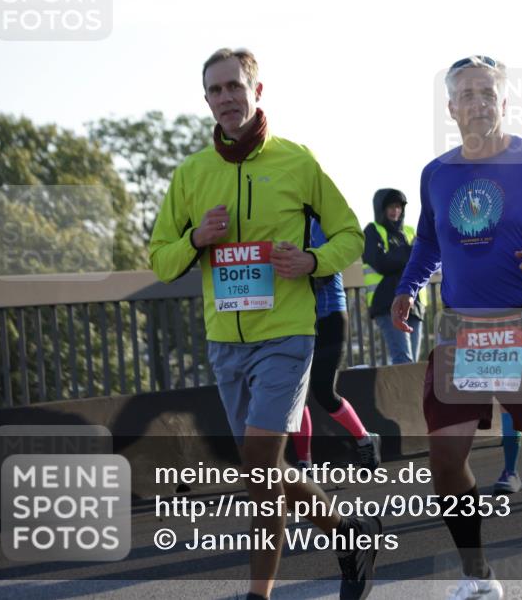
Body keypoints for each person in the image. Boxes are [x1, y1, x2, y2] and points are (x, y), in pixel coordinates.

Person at [149, 48, 379, 600]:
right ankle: (346, 535)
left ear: (257, 91)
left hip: (287, 333)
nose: (225, 98)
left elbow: (351, 235)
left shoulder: (297, 161)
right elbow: (159, 258)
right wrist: (196, 239)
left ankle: (258, 595)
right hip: (225, 340)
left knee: (258, 464)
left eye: (234, 87)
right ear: (206, 100)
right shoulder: (192, 174)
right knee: (263, 474)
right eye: (215, 91)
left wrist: (312, 261)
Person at [390, 55, 522, 600]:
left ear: (503, 104)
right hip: (461, 333)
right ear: (451, 107)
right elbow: (429, 244)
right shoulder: (436, 174)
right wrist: (408, 288)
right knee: (444, 458)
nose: (478, 103)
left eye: (488, 94)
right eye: (467, 95)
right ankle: (477, 577)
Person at [290, 219, 381, 470]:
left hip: (330, 316)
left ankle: (365, 439)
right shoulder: (279, 222)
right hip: (296, 321)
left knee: (323, 391)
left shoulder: (320, 222)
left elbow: (323, 270)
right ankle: (304, 463)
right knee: (296, 396)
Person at [363, 189, 425, 364]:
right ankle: (405, 393)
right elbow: (381, 263)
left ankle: (412, 393)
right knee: (403, 359)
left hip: (415, 303)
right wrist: (410, 252)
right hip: (386, 302)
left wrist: (399, 255)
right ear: (380, 209)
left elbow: (423, 260)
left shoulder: (410, 230)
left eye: (398, 207)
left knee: (412, 363)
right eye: (390, 206)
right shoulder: (372, 231)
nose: (395, 211)